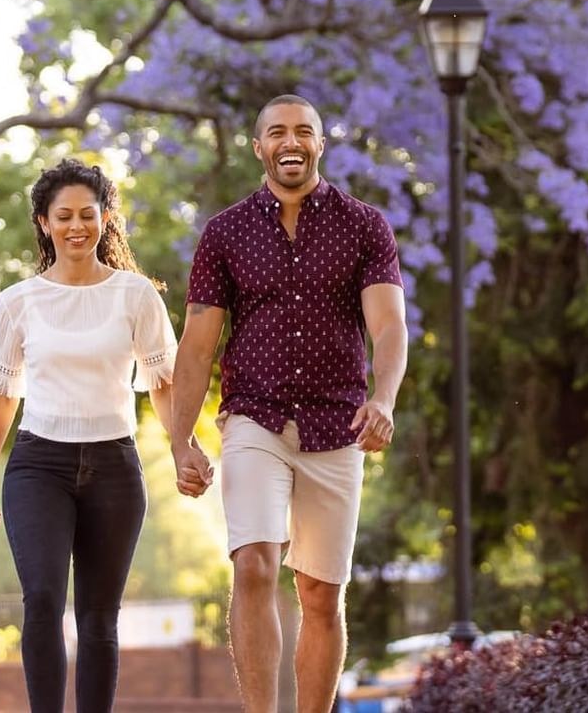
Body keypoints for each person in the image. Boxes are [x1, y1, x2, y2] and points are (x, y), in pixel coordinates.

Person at [168, 94, 409, 713]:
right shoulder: (225, 233)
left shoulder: (364, 226)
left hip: (339, 425)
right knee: (253, 563)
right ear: (260, 147)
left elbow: (387, 327)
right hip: (255, 418)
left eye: (304, 131)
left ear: (320, 145)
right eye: (277, 133)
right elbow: (197, 346)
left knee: (321, 596)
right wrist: (180, 440)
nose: (291, 142)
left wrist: (383, 398)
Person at [0, 158, 177, 713]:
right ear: (44, 222)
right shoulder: (17, 302)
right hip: (39, 467)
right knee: (41, 600)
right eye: (64, 216)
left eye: (88, 214)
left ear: (106, 219)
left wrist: (186, 448)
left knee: (98, 618)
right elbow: (4, 394)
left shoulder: (136, 296)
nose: (77, 226)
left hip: (114, 466)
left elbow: (161, 386)